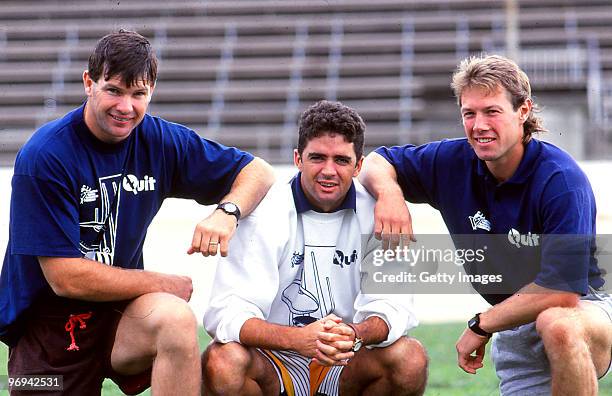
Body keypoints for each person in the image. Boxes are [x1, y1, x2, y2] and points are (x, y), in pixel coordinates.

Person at [0, 30, 274, 395]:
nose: (126, 107)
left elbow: (259, 171)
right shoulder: (45, 156)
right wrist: (164, 283)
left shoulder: (159, 141)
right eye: (114, 90)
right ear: (88, 83)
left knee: (175, 320)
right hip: (48, 328)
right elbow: (66, 278)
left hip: (119, 316)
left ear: (151, 92)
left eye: (138, 94)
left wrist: (227, 211)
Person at [359, 54, 612, 395]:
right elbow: (377, 161)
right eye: (469, 113)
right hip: (514, 325)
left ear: (523, 111)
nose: (478, 125)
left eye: (492, 111)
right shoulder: (451, 162)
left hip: (582, 312)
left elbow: (562, 290)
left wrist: (482, 325)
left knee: (558, 324)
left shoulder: (561, 180)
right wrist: (390, 192)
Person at [202, 100, 428, 396]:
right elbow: (225, 313)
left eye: (342, 160)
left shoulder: (382, 212)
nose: (328, 171)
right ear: (298, 159)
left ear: (359, 165)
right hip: (273, 358)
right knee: (222, 360)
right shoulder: (263, 210)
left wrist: (353, 334)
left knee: (409, 358)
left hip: (345, 357)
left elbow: (396, 309)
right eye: (317, 158)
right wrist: (297, 339)